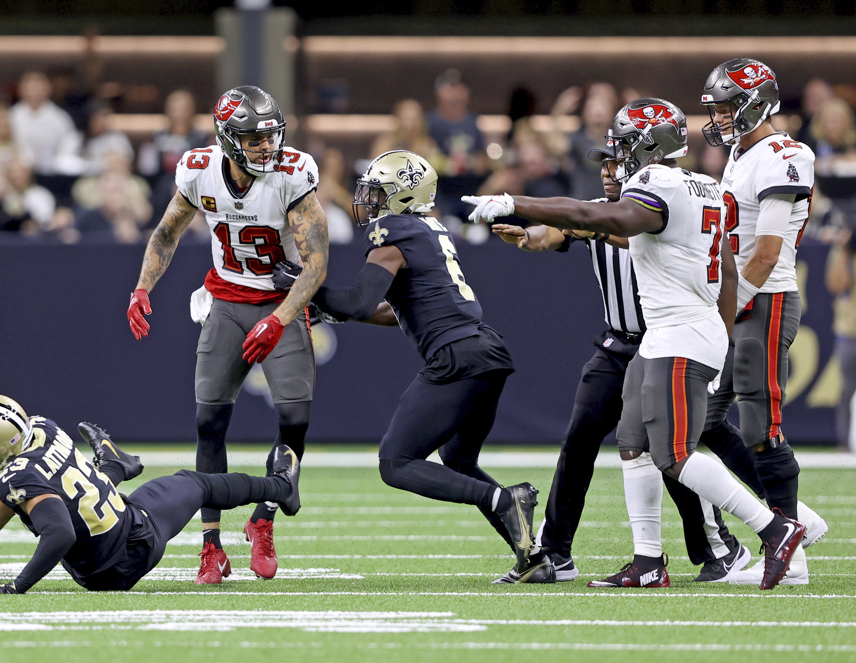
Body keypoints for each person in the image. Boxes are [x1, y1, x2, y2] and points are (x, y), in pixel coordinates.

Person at [464, 97, 805, 590]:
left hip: (678, 329)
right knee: (631, 442)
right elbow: (726, 266)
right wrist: (722, 328)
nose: (616, 157)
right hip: (675, 331)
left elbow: (608, 219)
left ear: (650, 145)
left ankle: (776, 529)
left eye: (624, 145)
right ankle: (648, 562)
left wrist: (517, 200)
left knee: (675, 455)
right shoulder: (702, 185)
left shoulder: (654, 183)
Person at [275, 149, 548, 583]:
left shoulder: (393, 229)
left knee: (395, 462)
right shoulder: (427, 227)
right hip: (485, 352)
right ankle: (533, 558)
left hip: (457, 356)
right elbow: (388, 311)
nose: (368, 199)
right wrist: (328, 308)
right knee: (458, 459)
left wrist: (306, 288)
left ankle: (503, 500)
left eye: (378, 192)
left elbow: (359, 300)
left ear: (401, 197)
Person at [126, 85, 329, 584]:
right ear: (227, 139)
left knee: (295, 416)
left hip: (279, 302)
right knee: (209, 422)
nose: (267, 146)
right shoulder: (198, 170)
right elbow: (167, 232)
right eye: (254, 138)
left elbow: (317, 262)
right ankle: (211, 545)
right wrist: (141, 287)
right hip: (226, 302)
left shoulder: (292, 174)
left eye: (271, 135)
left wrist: (279, 317)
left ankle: (264, 516)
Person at [0, 394, 300, 594]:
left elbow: (58, 532)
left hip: (111, 560)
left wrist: (15, 587)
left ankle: (114, 468)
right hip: (124, 548)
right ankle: (280, 486)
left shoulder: (17, 478)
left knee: (191, 484)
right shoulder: (44, 429)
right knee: (198, 483)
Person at [700, 58, 820, 585]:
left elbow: (767, 253)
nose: (720, 118)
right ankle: (793, 523)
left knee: (759, 426)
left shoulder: (783, 155)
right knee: (703, 419)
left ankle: (790, 556)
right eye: (717, 108)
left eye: (728, 106)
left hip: (764, 302)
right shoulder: (742, 155)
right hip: (740, 302)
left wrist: (724, 311)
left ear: (758, 103)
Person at [9, 71, 79, 175]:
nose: (34, 92)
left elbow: (71, 141)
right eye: (30, 88)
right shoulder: (12, 116)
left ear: (48, 89)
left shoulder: (60, 117)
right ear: (21, 90)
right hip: (19, 173)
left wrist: (60, 161)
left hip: (54, 173)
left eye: (37, 88)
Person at [137, 89, 211, 179]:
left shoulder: (202, 141)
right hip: (160, 186)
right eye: (174, 108)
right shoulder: (155, 139)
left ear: (192, 110)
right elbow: (147, 171)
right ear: (167, 110)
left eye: (183, 108)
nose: (179, 113)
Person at [826, 229, 856, 451]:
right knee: (847, 391)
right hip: (850, 333)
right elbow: (836, 284)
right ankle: (844, 443)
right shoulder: (845, 256)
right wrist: (845, 250)